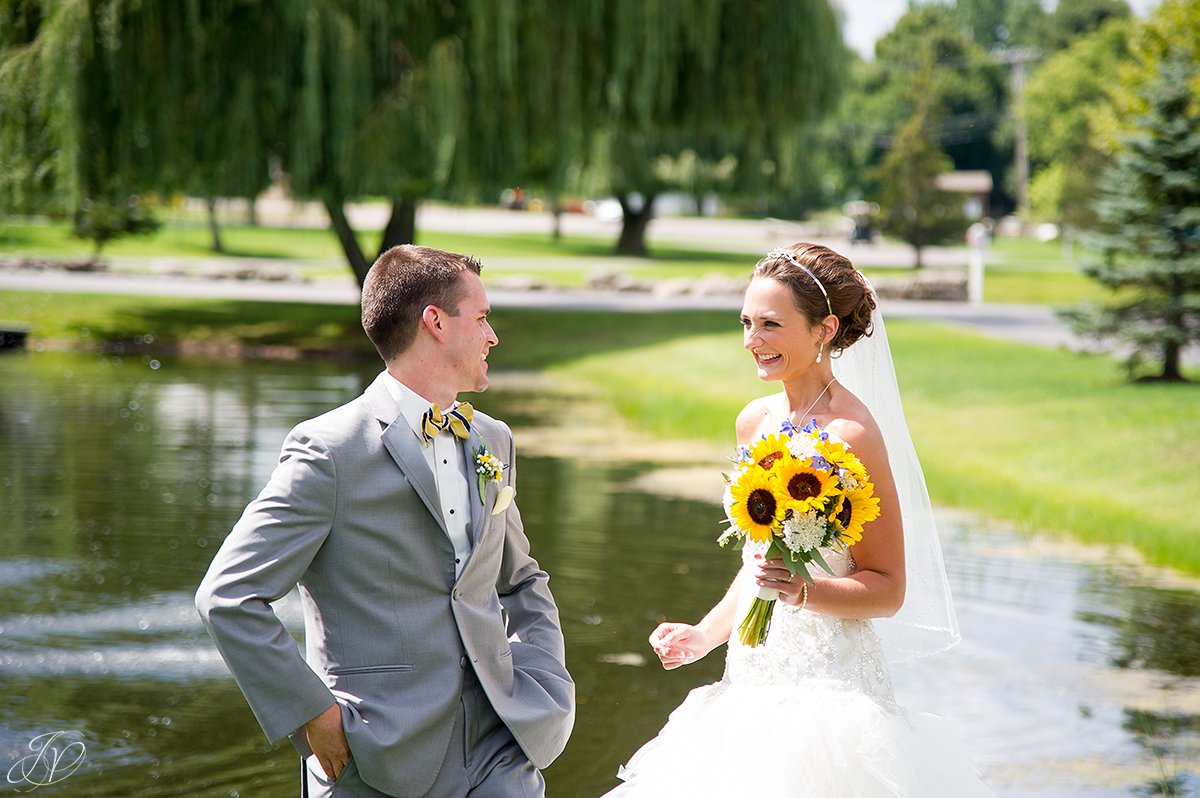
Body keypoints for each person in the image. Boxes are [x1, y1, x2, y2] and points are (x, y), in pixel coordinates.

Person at [607, 243, 994, 797]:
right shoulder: (754, 422)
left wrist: (803, 592)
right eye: (745, 323)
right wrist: (704, 635)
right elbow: (758, 564)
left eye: (769, 324)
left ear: (824, 329)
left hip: (828, 693)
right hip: (749, 679)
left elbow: (887, 589)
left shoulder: (853, 436)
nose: (751, 341)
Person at [196, 245, 574, 798]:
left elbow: (520, 579)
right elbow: (227, 596)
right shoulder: (329, 451)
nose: (493, 336)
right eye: (483, 318)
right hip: (376, 758)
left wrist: (544, 681)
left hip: (501, 746)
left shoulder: (493, 438)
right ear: (436, 323)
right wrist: (313, 716)